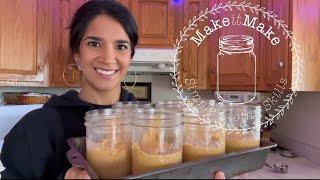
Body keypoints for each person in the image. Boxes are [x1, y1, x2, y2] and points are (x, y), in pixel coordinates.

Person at [0, 0, 225, 179]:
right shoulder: (41, 126)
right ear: (77, 54)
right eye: (94, 43)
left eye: (121, 46)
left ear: (130, 56)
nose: (109, 58)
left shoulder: (152, 123)